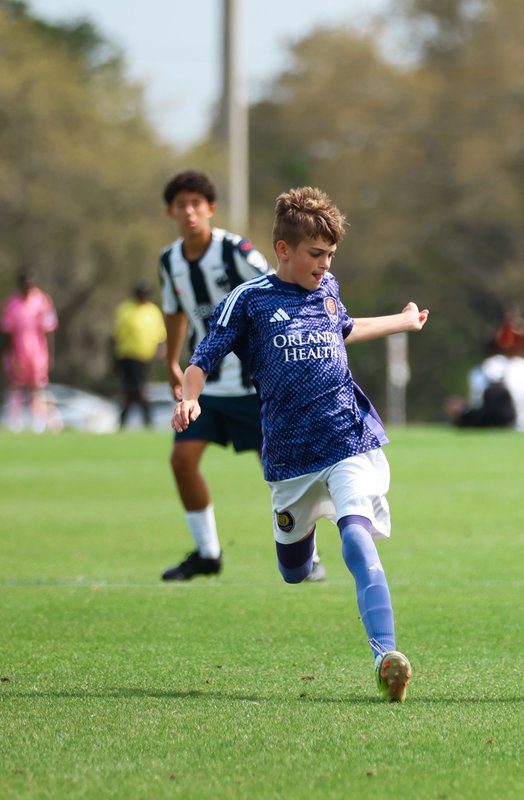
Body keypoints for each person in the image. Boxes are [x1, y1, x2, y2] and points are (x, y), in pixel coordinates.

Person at [171, 186, 429, 701]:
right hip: (290, 459)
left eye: (330, 255)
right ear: (283, 249)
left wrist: (402, 321)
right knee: (292, 571)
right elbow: (203, 355)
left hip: (347, 436)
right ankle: (301, 541)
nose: (324, 264)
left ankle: (385, 655)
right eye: (315, 254)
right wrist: (189, 398)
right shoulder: (251, 300)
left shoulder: (328, 287)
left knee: (356, 535)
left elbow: (345, 328)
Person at [158, 170, 325, 581]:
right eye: (182, 205)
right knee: (182, 459)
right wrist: (171, 361)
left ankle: (310, 556)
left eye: (197, 203)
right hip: (207, 386)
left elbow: (277, 285)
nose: (189, 211)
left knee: (281, 471)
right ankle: (207, 553)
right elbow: (174, 311)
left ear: (210, 208)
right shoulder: (169, 260)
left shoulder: (235, 250)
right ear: (171, 212)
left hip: (254, 383)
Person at [449, 339, 524, 431]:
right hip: (518, 425)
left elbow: (475, 403)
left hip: (484, 424)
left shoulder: (479, 370)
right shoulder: (522, 365)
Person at [1, 269, 58, 433]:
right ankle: (14, 420)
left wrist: (51, 354)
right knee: (15, 385)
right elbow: (7, 332)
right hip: (18, 352)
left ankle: (38, 421)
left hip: (38, 352)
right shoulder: (12, 304)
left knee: (37, 386)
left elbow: (49, 330)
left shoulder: (42, 301)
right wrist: (7, 354)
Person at [112, 280, 167, 429]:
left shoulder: (153, 311)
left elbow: (161, 335)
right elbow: (116, 336)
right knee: (138, 390)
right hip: (128, 357)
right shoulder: (125, 310)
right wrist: (115, 361)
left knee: (133, 391)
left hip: (146, 358)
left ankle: (125, 422)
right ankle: (147, 421)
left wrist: (163, 352)